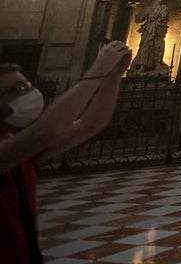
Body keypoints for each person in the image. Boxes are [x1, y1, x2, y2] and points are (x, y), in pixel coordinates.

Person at [1, 41, 132, 263]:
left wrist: (114, 75)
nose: (30, 93)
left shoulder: (17, 144)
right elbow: (45, 131)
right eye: (19, 89)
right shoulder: (17, 147)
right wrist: (98, 69)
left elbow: (90, 124)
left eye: (28, 85)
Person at [131, 0, 169, 74]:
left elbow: (165, 18)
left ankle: (157, 63)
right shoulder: (149, 8)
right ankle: (142, 65)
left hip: (158, 30)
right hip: (148, 30)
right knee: (145, 46)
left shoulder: (164, 8)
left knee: (158, 46)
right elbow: (141, 17)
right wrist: (139, 16)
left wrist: (158, 20)